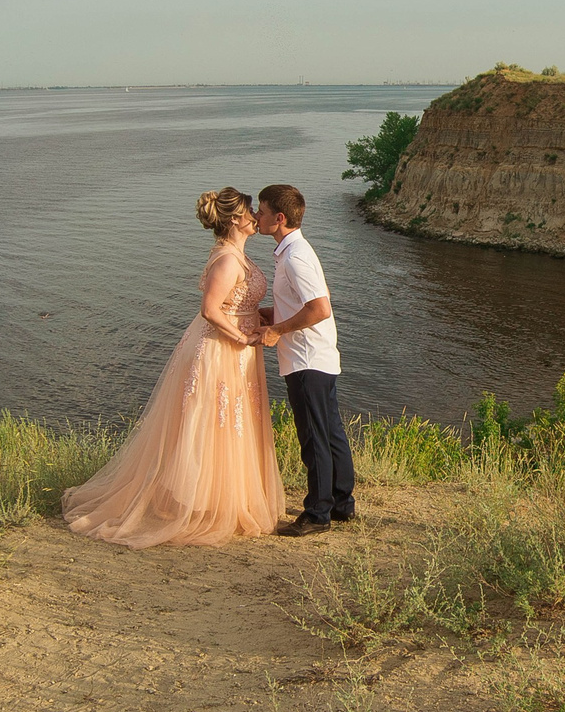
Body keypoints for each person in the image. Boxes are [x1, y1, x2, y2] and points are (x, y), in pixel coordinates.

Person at [61, 188, 283, 546]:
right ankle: (199, 504)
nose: (256, 216)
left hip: (239, 348)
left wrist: (268, 318)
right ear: (233, 220)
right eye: (249, 212)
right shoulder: (227, 260)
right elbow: (210, 310)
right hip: (219, 349)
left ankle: (221, 498)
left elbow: (240, 302)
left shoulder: (238, 256)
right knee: (212, 420)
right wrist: (240, 337)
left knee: (234, 420)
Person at [256, 183, 355, 535]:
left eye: (262, 211)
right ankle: (342, 504)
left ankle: (317, 514)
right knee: (331, 433)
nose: (256, 216)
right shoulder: (294, 252)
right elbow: (305, 303)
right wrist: (271, 313)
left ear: (279, 218)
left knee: (314, 437)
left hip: (306, 359)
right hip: (318, 355)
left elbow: (319, 308)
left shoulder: (296, 257)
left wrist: (277, 329)